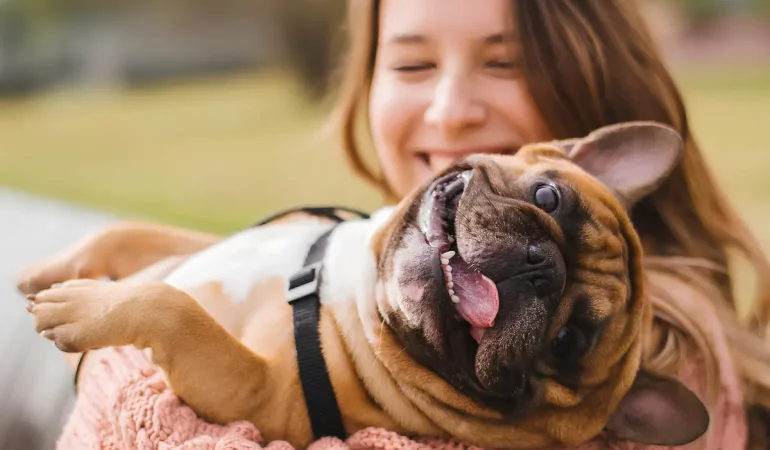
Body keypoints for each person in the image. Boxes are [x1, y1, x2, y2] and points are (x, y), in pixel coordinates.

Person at [18, 1, 770, 448]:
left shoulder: (670, 349)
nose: (448, 111)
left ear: (595, 81)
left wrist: (111, 362)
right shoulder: (374, 258)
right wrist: (127, 254)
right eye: (411, 67)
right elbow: (243, 269)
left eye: (502, 65)